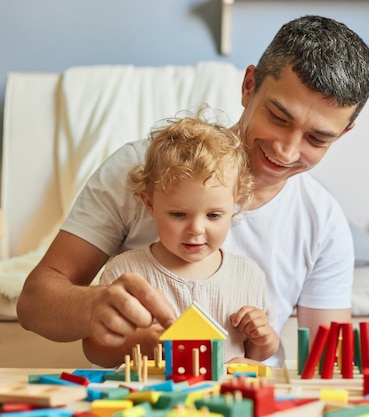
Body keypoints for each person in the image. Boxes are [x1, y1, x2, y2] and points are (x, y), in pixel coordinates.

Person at [17, 14, 369, 367]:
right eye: (279, 118)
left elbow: (331, 358)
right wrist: (95, 308)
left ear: (343, 134)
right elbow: (34, 304)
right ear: (248, 86)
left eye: (317, 138)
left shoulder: (322, 221)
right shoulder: (140, 171)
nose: (286, 150)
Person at [82, 109, 279, 368]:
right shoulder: (126, 272)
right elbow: (94, 350)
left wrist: (263, 338)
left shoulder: (248, 275)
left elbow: (257, 354)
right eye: (178, 214)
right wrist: (139, 343)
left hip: (225, 401)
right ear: (149, 204)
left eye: (214, 215)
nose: (196, 229)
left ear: (235, 206)